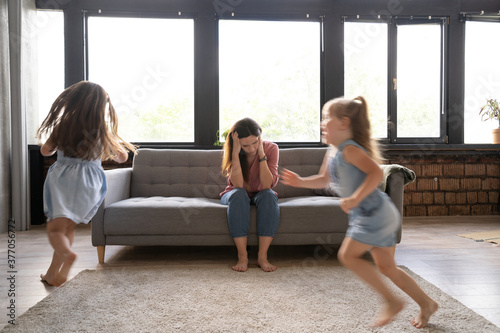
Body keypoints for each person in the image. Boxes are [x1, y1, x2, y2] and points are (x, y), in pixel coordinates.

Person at [280, 96, 438, 328]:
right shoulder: (333, 152)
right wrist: (300, 181)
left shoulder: (350, 150)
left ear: (344, 123)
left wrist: (355, 197)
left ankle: (392, 301)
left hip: (375, 212)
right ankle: (427, 304)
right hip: (372, 213)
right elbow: (323, 179)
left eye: (326, 118)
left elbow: (375, 173)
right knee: (386, 267)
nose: (322, 123)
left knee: (347, 255)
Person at [37, 81, 137, 286]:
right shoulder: (102, 131)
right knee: (67, 228)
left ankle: (68, 256)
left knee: (56, 229)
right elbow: (121, 157)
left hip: (64, 180)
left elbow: (45, 151)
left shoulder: (62, 126)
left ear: (74, 102)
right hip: (89, 183)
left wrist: (55, 145)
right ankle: (51, 273)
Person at [220, 118, 280, 272]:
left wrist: (261, 153)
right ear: (238, 142)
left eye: (255, 143)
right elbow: (238, 185)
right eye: (245, 145)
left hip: (261, 193)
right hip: (235, 194)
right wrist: (235, 153)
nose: (251, 148)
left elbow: (267, 184)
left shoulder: (271, 148)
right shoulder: (234, 151)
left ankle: (262, 257)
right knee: (239, 194)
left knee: (268, 195)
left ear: (260, 138)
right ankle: (242, 256)